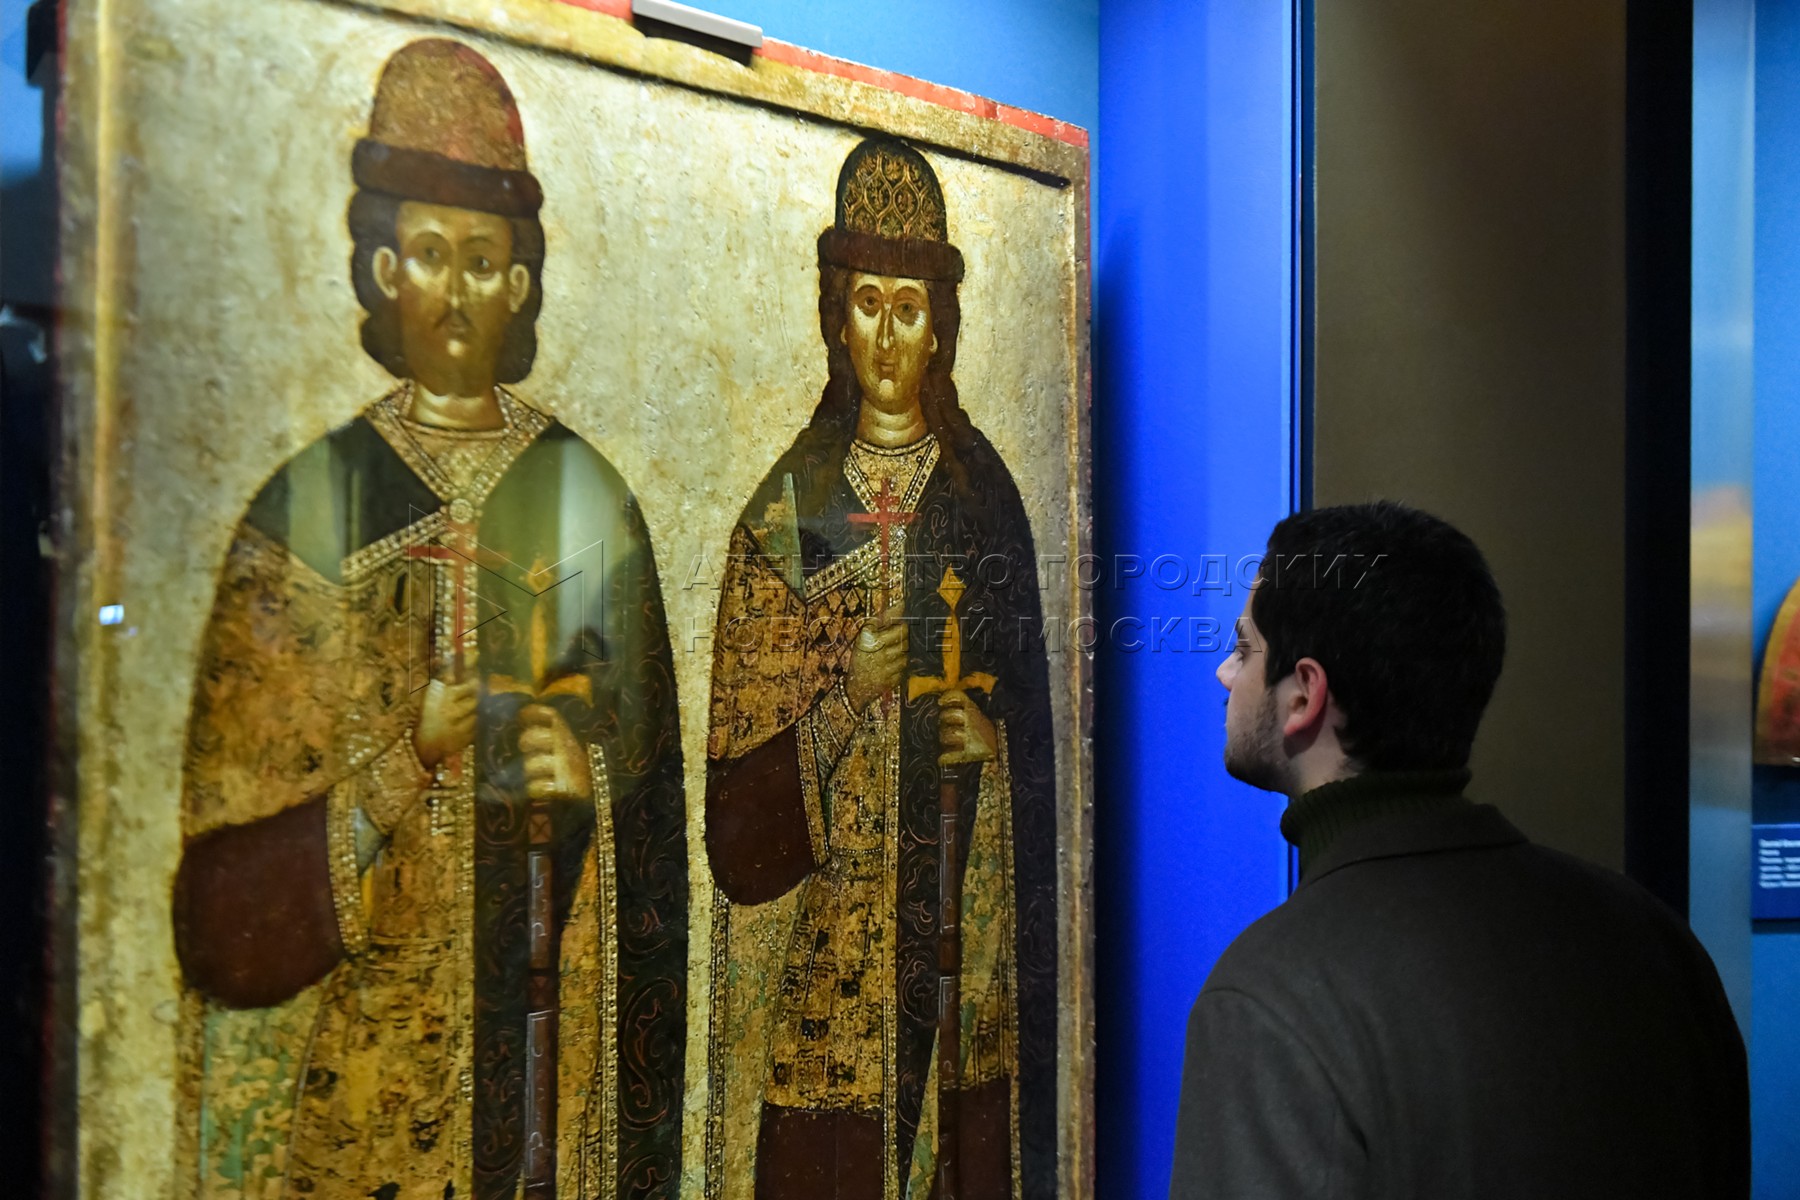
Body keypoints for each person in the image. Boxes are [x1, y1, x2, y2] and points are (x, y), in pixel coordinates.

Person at [170, 40, 687, 1200]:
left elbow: (656, 818)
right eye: (429, 255)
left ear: (520, 285)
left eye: (483, 261)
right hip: (367, 1097)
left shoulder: (585, 499)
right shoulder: (308, 513)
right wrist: (405, 764)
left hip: (543, 1086)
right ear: (381, 269)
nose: (455, 294)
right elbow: (220, 912)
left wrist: (591, 784)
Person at [1171, 502, 1748, 1199]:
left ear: (1304, 697)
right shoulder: (1658, 943)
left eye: (1243, 649)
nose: (1224, 675)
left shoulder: (1271, 995)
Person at [701, 137, 1058, 1200]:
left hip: (959, 981)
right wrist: (844, 703)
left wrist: (993, 755)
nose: (890, 336)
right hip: (831, 1006)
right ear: (837, 317)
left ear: (940, 323)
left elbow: (1040, 744)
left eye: (911, 307)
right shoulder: (791, 513)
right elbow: (736, 840)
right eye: (868, 305)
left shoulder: (983, 499)